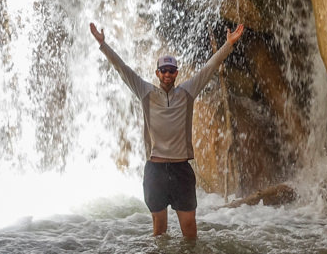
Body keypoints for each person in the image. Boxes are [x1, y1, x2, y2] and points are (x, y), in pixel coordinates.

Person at [89, 19, 245, 239]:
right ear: (157, 73)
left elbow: (209, 68)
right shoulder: (145, 91)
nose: (168, 74)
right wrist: (103, 45)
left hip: (181, 169)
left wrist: (228, 45)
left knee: (189, 227)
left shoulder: (187, 92)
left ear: (177, 73)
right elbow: (122, 69)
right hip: (155, 170)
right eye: (164, 71)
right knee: (159, 229)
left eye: (171, 71)